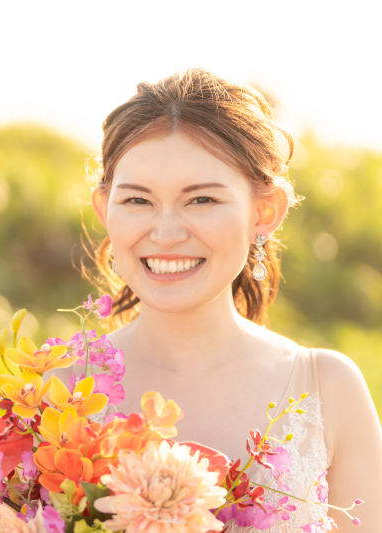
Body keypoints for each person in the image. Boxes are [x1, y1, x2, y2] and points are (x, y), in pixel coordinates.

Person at [64, 69, 382, 531]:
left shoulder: (329, 390)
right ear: (104, 210)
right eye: (137, 201)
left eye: (202, 201)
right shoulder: (57, 393)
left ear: (264, 211)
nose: (166, 233)